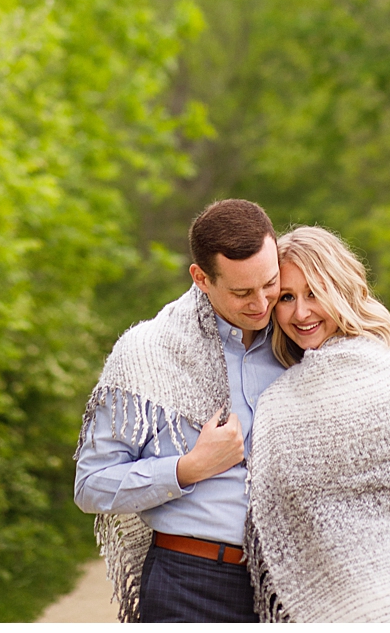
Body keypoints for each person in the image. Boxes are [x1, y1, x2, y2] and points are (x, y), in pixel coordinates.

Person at [75, 198, 286, 622]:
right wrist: (188, 468)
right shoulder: (147, 354)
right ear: (201, 278)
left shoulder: (299, 342)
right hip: (189, 582)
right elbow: (91, 485)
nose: (261, 303)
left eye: (270, 283)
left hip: (291, 585)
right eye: (242, 292)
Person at [244, 226, 390, 623]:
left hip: (384, 593)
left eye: (314, 293)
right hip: (326, 597)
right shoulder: (287, 379)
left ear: (340, 289)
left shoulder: (371, 368)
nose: (301, 313)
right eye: (287, 298)